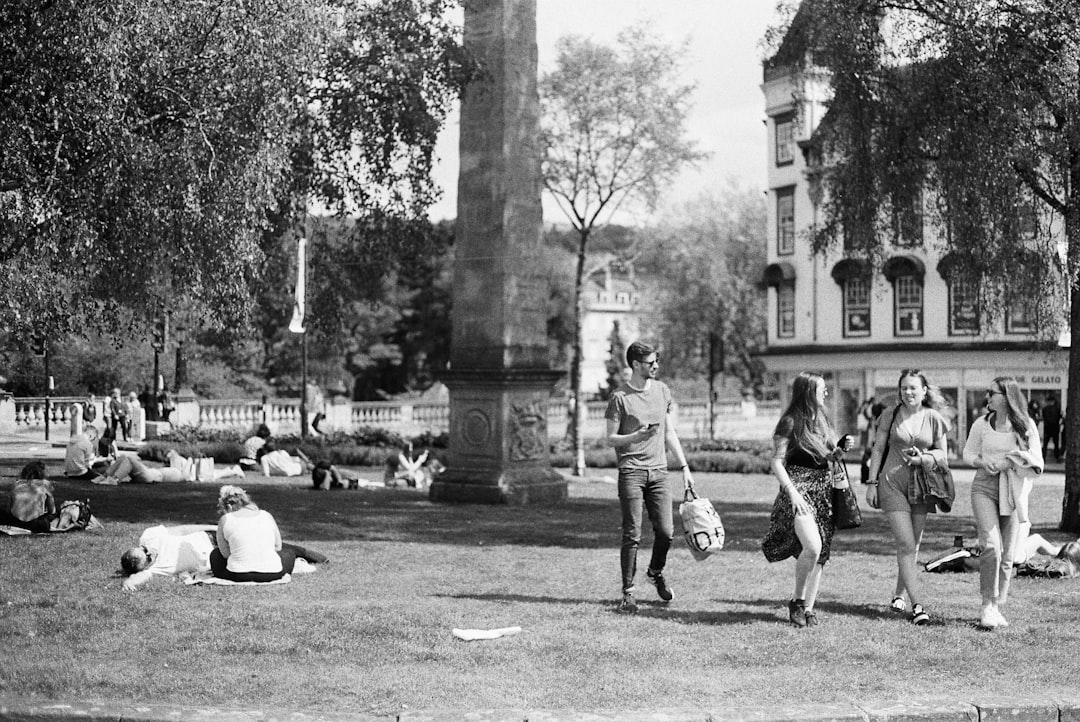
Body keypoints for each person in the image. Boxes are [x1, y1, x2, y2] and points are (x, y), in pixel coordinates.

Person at [604, 340, 695, 614]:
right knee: (632, 533)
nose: (656, 366)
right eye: (650, 362)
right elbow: (610, 439)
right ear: (635, 365)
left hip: (658, 472)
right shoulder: (619, 397)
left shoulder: (662, 391)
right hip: (631, 471)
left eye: (656, 361)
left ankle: (655, 572)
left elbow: (669, 433)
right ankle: (628, 594)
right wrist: (636, 436)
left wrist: (685, 467)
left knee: (666, 533)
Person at [762, 372, 854, 628]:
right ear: (807, 392)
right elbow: (776, 462)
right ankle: (797, 600)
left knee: (820, 553)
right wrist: (791, 492)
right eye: (821, 389)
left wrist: (840, 450)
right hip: (799, 491)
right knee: (812, 547)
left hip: (823, 491)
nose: (825, 393)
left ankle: (809, 608)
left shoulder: (822, 418)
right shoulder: (790, 422)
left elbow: (827, 456)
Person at [865, 369, 950, 626]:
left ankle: (899, 594)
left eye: (913, 388)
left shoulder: (934, 418)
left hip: (921, 486)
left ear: (924, 391)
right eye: (904, 388)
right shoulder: (889, 416)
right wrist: (871, 483)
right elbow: (878, 448)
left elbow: (944, 455)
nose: (908, 392)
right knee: (905, 543)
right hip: (891, 484)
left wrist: (923, 458)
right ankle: (918, 605)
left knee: (912, 545)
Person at [963, 376, 1043, 629]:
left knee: (1008, 555)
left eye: (992, 393)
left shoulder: (1025, 425)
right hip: (984, 487)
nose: (988, 397)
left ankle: (996, 605)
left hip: (1012, 490)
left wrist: (1012, 461)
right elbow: (968, 453)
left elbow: (1037, 460)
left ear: (1007, 396)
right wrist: (981, 462)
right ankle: (987, 605)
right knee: (991, 546)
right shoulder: (982, 424)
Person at [121, 522, 329, 590]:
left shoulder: (150, 537)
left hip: (210, 537)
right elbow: (141, 577)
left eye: (145, 549)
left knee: (259, 541)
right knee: (257, 552)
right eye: (148, 557)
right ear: (145, 566)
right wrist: (130, 580)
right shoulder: (153, 569)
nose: (151, 552)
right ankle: (294, 556)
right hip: (218, 556)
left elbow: (183, 529)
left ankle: (310, 554)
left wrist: (214, 526)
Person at [210, 485, 295, 583]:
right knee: (289, 553)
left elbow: (225, 554)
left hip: (238, 575)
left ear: (228, 506)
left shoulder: (226, 519)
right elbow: (278, 546)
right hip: (272, 574)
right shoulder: (266, 515)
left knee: (215, 554)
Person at [0, 462, 57, 533]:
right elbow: (52, 510)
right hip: (36, 524)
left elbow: (8, 509)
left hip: (15, 522)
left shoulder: (16, 484)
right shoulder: (45, 484)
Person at [94, 454, 187, 484]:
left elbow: (187, 473)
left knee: (128, 458)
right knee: (123, 457)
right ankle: (104, 476)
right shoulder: (175, 471)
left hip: (151, 476)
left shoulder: (180, 474)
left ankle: (114, 479)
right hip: (149, 475)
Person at [1041, 393, 1061, 461]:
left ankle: (1043, 457)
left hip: (1047, 429)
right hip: (1055, 428)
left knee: (1045, 444)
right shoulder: (1057, 409)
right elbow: (1059, 417)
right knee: (1056, 444)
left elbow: (1044, 417)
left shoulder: (1045, 409)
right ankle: (1057, 457)